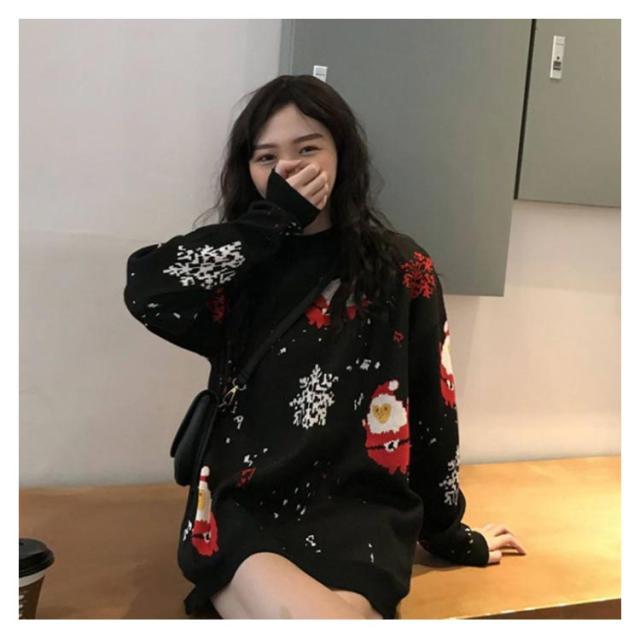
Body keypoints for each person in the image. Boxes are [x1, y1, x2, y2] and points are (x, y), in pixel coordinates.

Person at [123, 74, 526, 620]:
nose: (287, 169)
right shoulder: (240, 265)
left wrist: (448, 532)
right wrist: (271, 223)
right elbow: (148, 288)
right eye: (266, 158)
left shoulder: (401, 269)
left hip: (361, 509)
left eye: (308, 149)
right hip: (244, 501)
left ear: (342, 155)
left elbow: (433, 409)